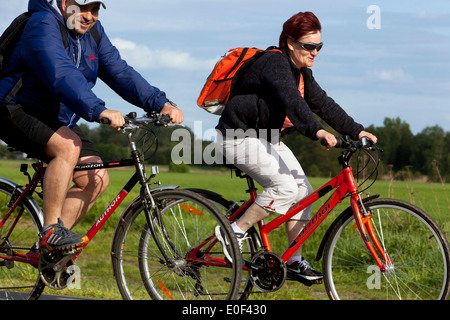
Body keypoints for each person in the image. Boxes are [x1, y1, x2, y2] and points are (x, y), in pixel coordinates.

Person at [0, 0, 183, 254]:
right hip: (14, 107)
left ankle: (49, 253)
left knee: (95, 178)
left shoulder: (93, 34)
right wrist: (98, 109)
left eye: (95, 10)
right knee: (67, 147)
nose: (89, 16)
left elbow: (120, 72)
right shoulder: (42, 25)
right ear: (64, 3)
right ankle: (50, 231)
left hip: (57, 116)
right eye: (83, 8)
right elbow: (60, 74)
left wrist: (160, 102)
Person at [214, 11, 377, 285]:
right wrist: (318, 131)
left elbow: (323, 104)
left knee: (304, 193)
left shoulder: (302, 73)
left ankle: (293, 260)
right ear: (290, 43)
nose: (315, 52)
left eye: (319, 47)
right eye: (309, 46)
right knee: (285, 189)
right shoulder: (274, 63)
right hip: (236, 136)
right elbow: (293, 102)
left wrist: (356, 130)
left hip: (266, 138)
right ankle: (233, 232)